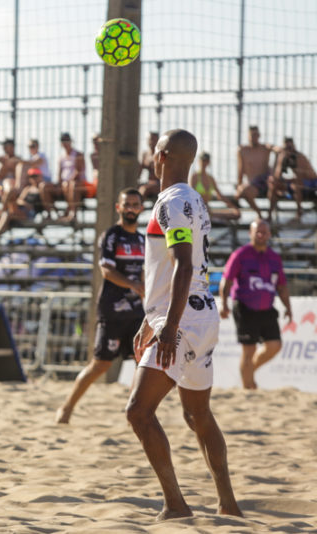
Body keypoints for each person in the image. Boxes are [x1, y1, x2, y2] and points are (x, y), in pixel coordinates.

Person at [127, 129, 242, 521]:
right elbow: (175, 270)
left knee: (138, 412)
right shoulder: (195, 200)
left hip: (183, 319)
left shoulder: (171, 203)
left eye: (152, 150)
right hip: (199, 311)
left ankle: (175, 505)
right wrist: (151, 318)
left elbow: (184, 265)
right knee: (197, 415)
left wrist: (168, 326)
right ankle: (228, 503)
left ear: (161, 156)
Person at [55, 188, 145, 424]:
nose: (131, 209)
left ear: (141, 208)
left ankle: (133, 412)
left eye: (135, 205)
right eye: (127, 204)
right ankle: (67, 407)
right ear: (118, 207)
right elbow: (106, 271)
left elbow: (147, 273)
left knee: (144, 363)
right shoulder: (111, 236)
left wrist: (146, 290)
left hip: (137, 312)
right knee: (100, 365)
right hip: (112, 310)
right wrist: (135, 285)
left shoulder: (142, 240)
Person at [219, 218, 292, 389]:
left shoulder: (274, 257)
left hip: (267, 308)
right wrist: (223, 303)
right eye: (257, 231)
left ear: (269, 234)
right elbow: (226, 281)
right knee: (248, 350)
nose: (261, 234)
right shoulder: (240, 254)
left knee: (275, 345)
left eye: (264, 232)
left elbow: (281, 286)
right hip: (245, 307)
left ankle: (249, 373)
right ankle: (248, 388)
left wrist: (288, 308)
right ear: (250, 233)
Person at [46, 132, 90, 222]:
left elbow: (78, 171)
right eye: (63, 141)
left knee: (71, 185)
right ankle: (53, 214)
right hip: (64, 185)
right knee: (44, 187)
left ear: (71, 141)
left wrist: (67, 182)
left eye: (67, 140)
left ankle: (72, 213)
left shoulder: (78, 154)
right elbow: (59, 174)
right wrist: (59, 184)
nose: (65, 143)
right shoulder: (61, 157)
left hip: (77, 184)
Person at [271, 136, 317, 221]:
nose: (289, 150)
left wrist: (294, 167)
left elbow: (308, 175)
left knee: (295, 184)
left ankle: (299, 212)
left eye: (290, 147)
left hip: (310, 183)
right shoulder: (283, 156)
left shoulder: (300, 157)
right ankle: (269, 215)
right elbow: (277, 176)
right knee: (273, 182)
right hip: (295, 183)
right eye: (286, 148)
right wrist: (280, 160)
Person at [235, 125, 275, 219]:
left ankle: (269, 215)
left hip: (266, 182)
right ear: (248, 136)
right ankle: (259, 214)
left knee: (274, 185)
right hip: (253, 185)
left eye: (256, 135)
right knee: (241, 192)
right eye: (252, 135)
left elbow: (278, 150)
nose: (254, 137)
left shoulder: (265, 148)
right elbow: (240, 170)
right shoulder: (243, 150)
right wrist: (239, 185)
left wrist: (272, 147)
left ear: (259, 135)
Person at [188, 152, 240, 222]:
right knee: (206, 214)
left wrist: (233, 207)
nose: (204, 163)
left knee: (236, 214)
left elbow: (220, 196)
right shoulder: (194, 177)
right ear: (199, 161)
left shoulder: (210, 178)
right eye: (202, 160)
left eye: (206, 160)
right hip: (196, 209)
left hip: (207, 209)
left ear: (208, 162)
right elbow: (191, 196)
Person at [138, 131, 160, 201]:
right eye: (150, 139)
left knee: (144, 189)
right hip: (149, 182)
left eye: (154, 140)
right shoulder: (145, 154)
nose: (151, 142)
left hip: (159, 183)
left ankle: (138, 209)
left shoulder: (160, 155)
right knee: (132, 186)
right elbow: (139, 173)